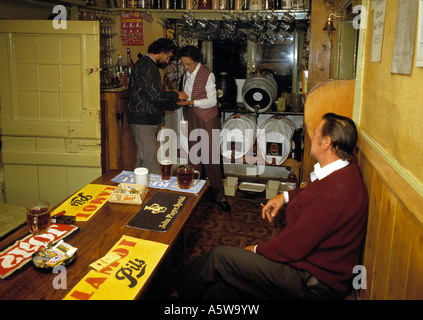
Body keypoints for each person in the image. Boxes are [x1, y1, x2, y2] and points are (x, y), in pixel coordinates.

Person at [176, 113, 368, 299]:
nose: (311, 135)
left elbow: (294, 246)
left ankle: (174, 291)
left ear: (326, 143)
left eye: (316, 132)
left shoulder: (336, 192)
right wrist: (284, 196)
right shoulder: (344, 172)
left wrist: (257, 250)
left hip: (313, 283)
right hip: (315, 270)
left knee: (218, 258)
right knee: (221, 290)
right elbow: (314, 194)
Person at [177, 46, 231, 213]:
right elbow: (187, 94)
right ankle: (194, 194)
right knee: (194, 157)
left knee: (211, 159)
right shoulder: (186, 75)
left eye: (188, 64)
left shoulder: (208, 74)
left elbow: (212, 101)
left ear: (196, 61)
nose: (186, 67)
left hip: (208, 119)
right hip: (192, 116)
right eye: (183, 64)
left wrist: (192, 102)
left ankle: (220, 197)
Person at [127, 38, 188, 174]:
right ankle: (156, 194)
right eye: (168, 56)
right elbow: (155, 95)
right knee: (151, 163)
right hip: (143, 121)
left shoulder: (145, 64)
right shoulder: (147, 66)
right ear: (162, 51)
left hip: (143, 120)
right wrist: (176, 95)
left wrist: (173, 99)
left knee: (142, 163)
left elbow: (152, 94)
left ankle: (139, 193)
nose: (167, 61)